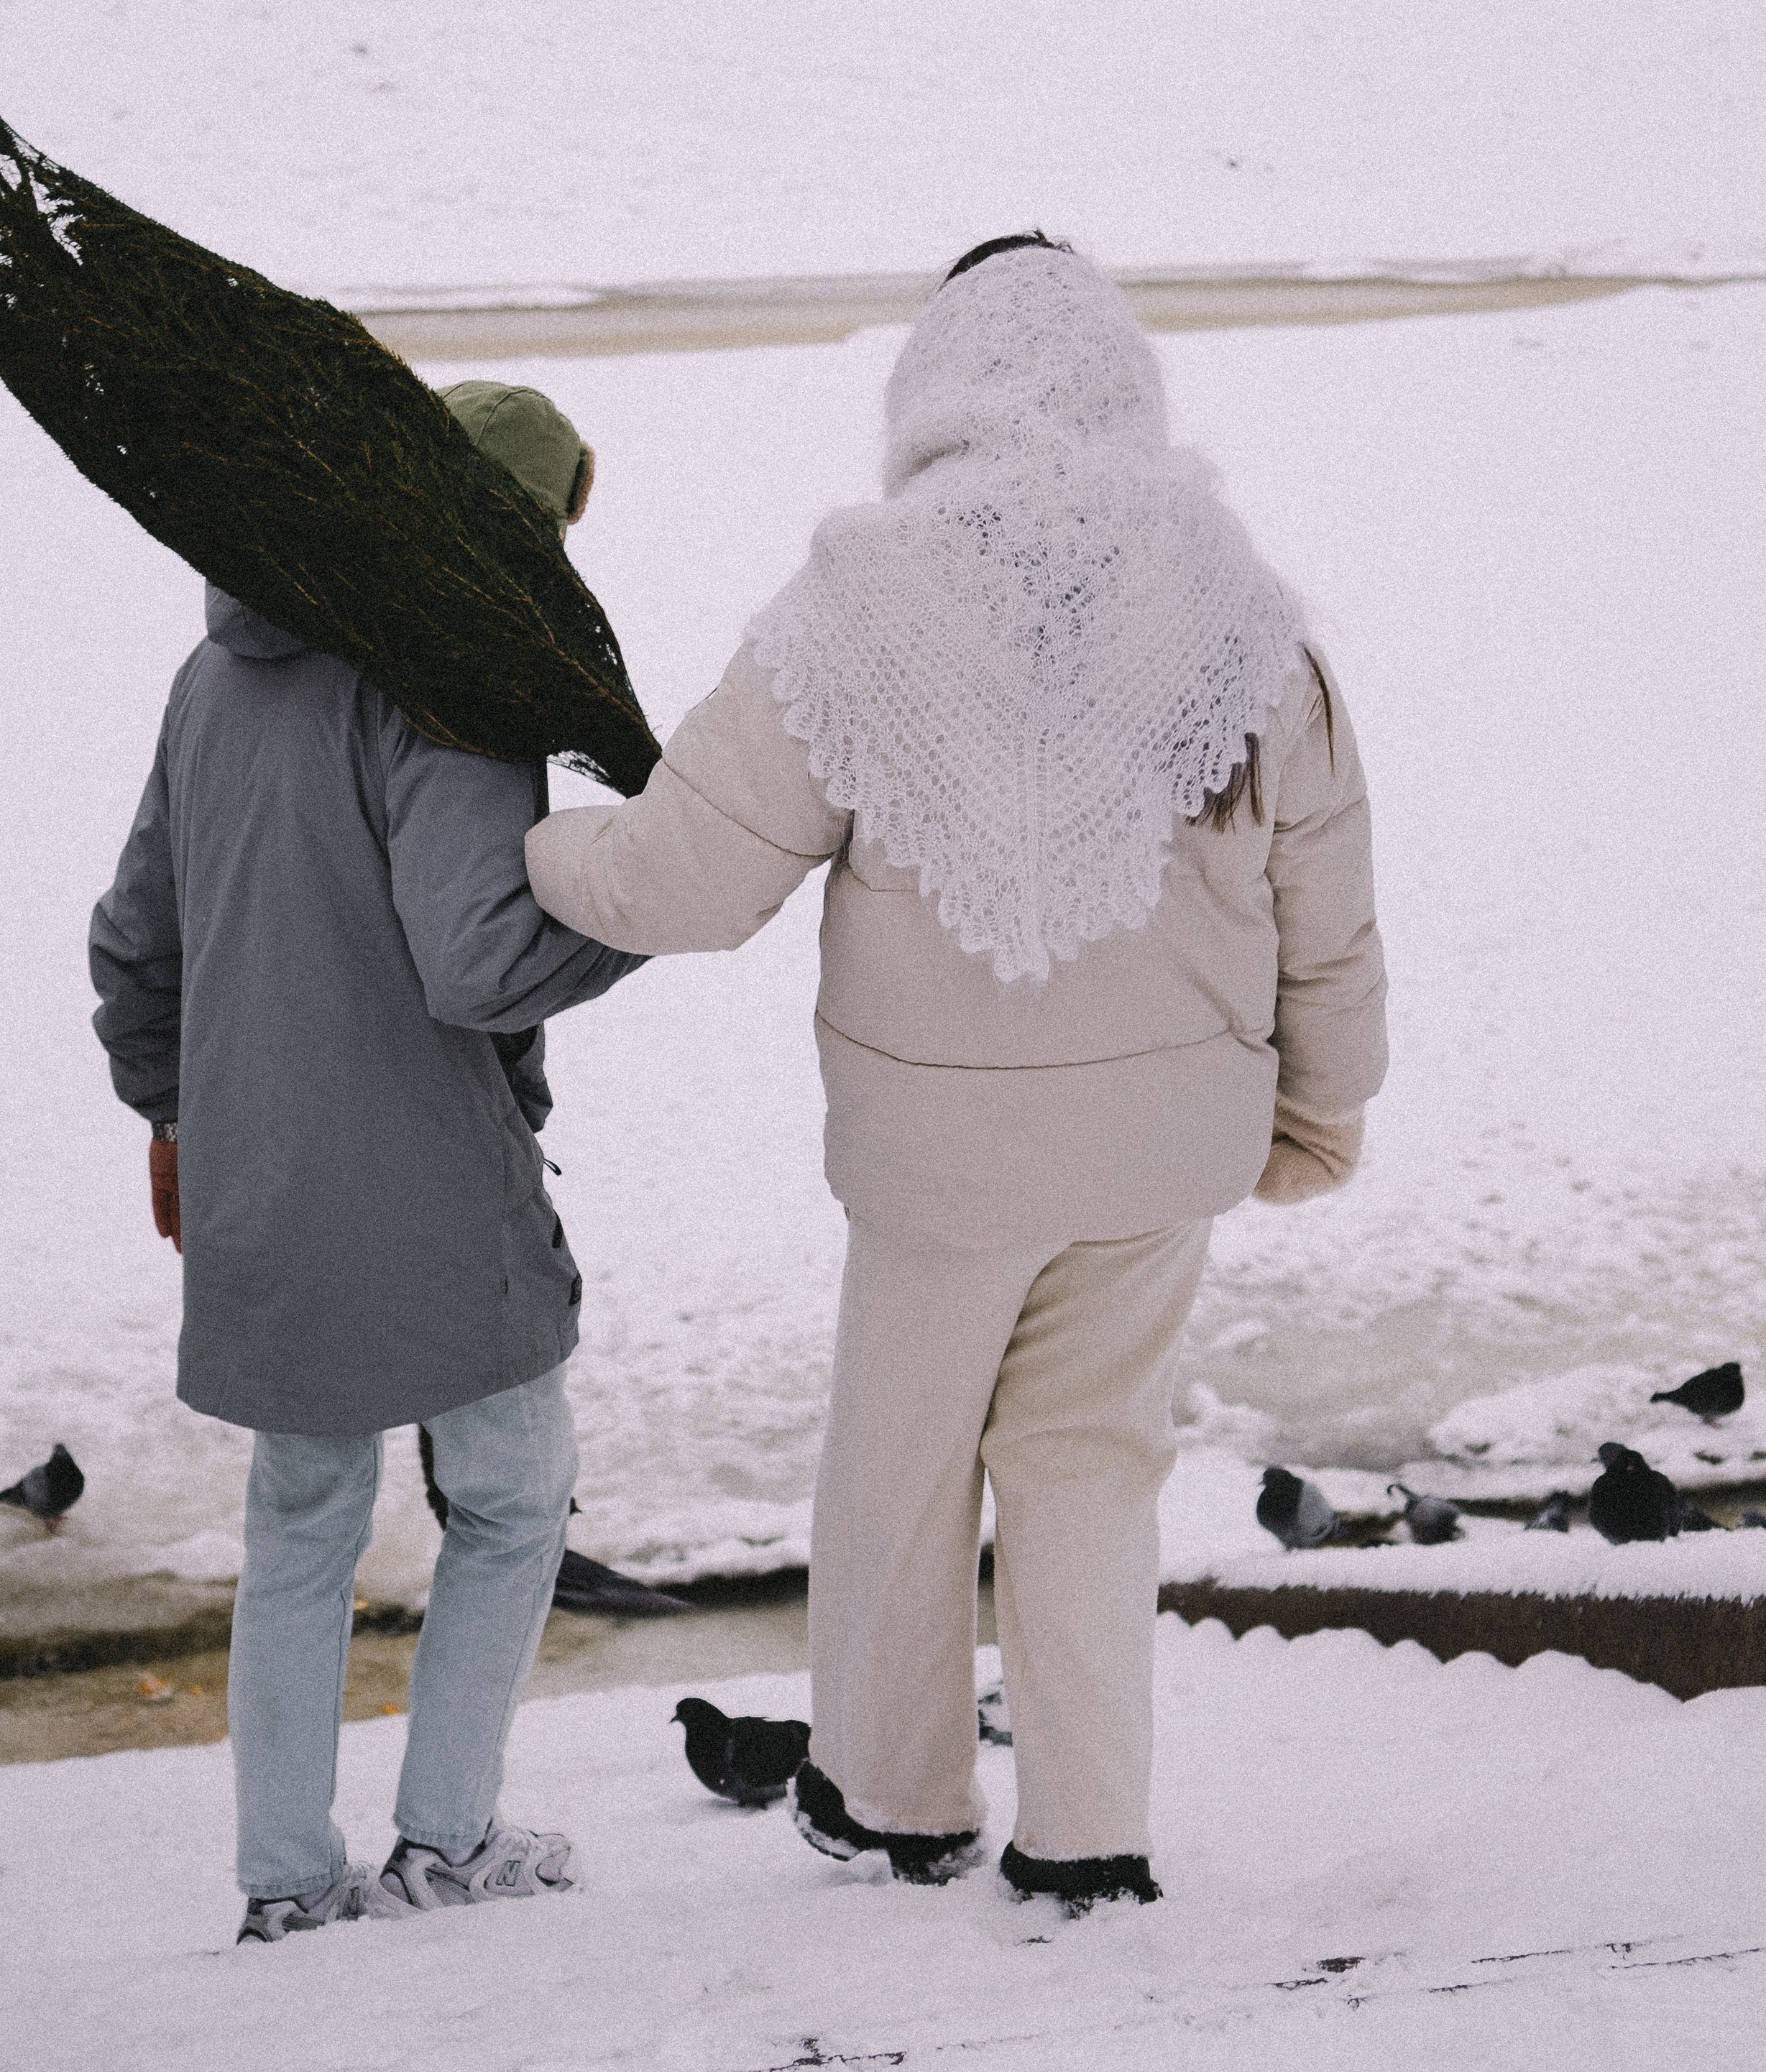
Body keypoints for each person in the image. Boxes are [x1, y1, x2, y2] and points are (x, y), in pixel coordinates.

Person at [525, 236, 1388, 1916]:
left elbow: (682, 882)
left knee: (902, 1461)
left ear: (937, 385)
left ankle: (893, 1799)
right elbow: (1328, 905)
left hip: (937, 1163)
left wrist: (536, 839)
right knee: (1087, 1463)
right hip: (1158, 1151)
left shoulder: (858, 597)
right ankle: (1087, 1833)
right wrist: (1326, 1096)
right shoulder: (1237, 606)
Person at [90, 380, 641, 1948]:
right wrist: (642, 908)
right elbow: (479, 964)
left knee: (302, 1518)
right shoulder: (450, 681)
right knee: (515, 1499)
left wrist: (175, 1119)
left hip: (262, 1185)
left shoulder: (218, 670)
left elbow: (139, 944)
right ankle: (450, 1840)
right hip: (437, 1191)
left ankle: (284, 1876)